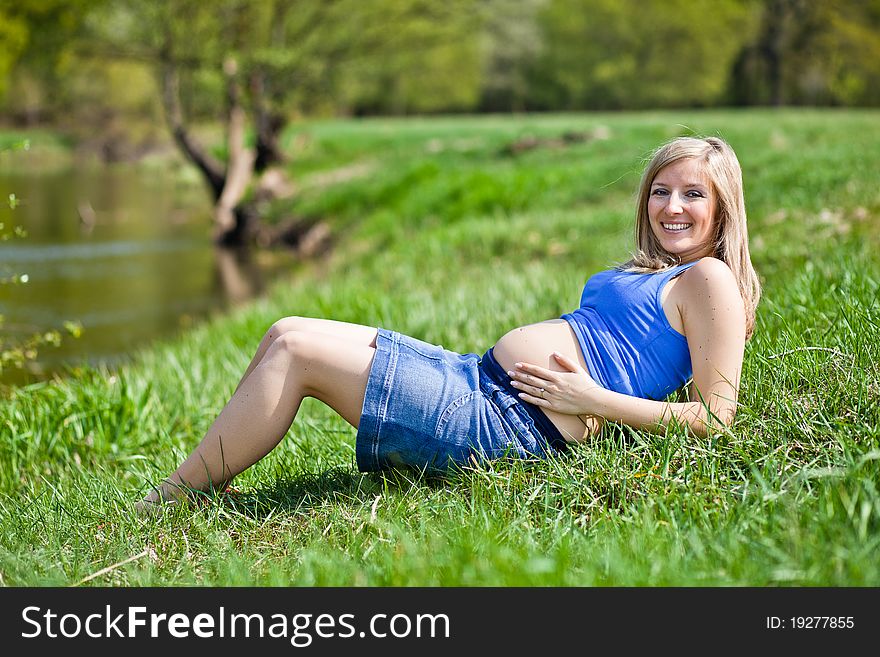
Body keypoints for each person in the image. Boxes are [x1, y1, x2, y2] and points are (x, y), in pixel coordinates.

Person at [137, 135, 761, 510]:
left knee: (296, 349)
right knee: (282, 329)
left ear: (722, 209)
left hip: (508, 426)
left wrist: (591, 399)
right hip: (476, 380)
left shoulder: (708, 280)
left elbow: (717, 419)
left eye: (693, 194)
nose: (671, 206)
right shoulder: (659, 273)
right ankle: (207, 483)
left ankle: (172, 498)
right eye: (660, 191)